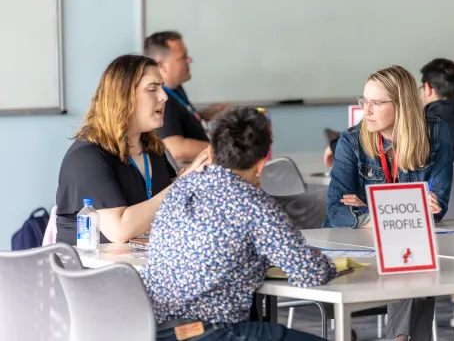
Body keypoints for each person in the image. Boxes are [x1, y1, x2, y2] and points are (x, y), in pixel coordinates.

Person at [143, 107, 334, 341]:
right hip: (211, 332)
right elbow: (310, 273)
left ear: (211, 153)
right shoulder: (255, 204)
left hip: (153, 330)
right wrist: (323, 262)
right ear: (261, 164)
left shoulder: (181, 189)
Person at [325, 65, 453, 341]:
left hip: (399, 247)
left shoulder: (435, 133)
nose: (366, 110)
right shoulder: (351, 141)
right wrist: (401, 211)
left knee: (413, 262)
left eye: (376, 103)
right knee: (413, 263)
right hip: (352, 248)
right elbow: (336, 211)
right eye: (364, 101)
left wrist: (370, 211)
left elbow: (437, 208)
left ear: (402, 106)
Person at [55, 54, 209, 245]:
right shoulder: (87, 157)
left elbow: (168, 205)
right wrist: (180, 187)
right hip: (92, 273)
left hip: (142, 268)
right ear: (123, 97)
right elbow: (119, 230)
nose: (164, 96)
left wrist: (196, 181)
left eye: (161, 87)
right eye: (152, 89)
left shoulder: (153, 149)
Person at [144, 31, 230, 163]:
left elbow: (180, 122)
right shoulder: (161, 100)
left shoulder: (175, 88)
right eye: (182, 57)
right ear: (160, 65)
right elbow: (176, 149)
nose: (189, 60)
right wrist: (226, 149)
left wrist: (207, 114)